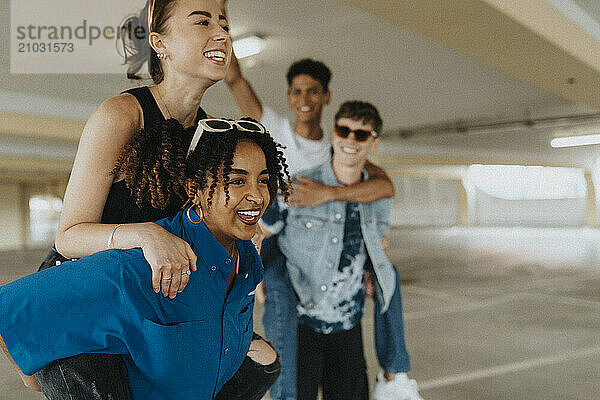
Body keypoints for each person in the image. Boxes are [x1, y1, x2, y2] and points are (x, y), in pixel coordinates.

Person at [32, 0, 279, 398]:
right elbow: (69, 237)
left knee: (262, 361)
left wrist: (241, 234)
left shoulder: (211, 138)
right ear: (158, 42)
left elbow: (196, 226)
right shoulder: (121, 116)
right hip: (85, 302)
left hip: (148, 304)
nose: (221, 33)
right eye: (202, 21)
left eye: (224, 23)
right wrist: (147, 235)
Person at [1, 120, 291, 400]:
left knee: (268, 363)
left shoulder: (246, 259)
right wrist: (51, 379)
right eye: (237, 180)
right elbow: (10, 308)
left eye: (263, 180)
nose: (257, 195)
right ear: (195, 189)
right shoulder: (144, 267)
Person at [222, 10, 413, 396]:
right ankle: (282, 390)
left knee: (384, 273)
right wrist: (220, 22)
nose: (303, 99)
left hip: (318, 246)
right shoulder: (271, 127)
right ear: (289, 96)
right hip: (277, 233)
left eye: (312, 91)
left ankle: (396, 373)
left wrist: (327, 194)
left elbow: (382, 186)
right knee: (275, 295)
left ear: (325, 97)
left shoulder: (336, 148)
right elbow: (236, 78)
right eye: (296, 91)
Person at [263, 101, 422, 400]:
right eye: (344, 130)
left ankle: (396, 372)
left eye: (361, 135)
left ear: (374, 144)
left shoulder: (378, 196)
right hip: (300, 322)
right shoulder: (299, 184)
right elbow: (262, 232)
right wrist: (262, 279)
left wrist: (372, 270)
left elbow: (378, 241)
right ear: (334, 134)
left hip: (347, 323)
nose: (350, 140)